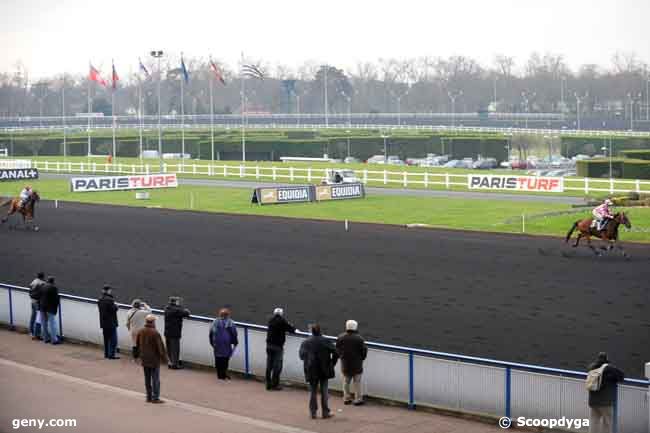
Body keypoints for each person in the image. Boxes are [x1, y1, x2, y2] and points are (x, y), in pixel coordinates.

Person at [299, 324, 339, 419]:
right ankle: (325, 412)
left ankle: (313, 413)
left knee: (313, 391)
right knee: (324, 391)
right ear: (320, 331)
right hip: (324, 369)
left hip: (311, 369)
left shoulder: (306, 342)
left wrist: (308, 361)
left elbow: (301, 356)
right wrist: (332, 363)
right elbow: (336, 353)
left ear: (311, 331)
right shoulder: (326, 341)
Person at [587, 352, 624, 433]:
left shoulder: (591, 367)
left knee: (594, 421)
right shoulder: (610, 369)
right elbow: (621, 376)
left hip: (593, 401)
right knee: (607, 423)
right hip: (606, 402)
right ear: (606, 359)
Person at [135, 314, 168, 403]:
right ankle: (155, 397)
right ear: (153, 322)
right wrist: (165, 359)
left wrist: (137, 356)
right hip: (154, 359)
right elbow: (160, 348)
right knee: (155, 379)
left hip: (144, 359)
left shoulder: (141, 331)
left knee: (147, 378)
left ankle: (148, 397)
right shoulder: (155, 333)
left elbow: (137, 345)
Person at [336, 320, 368, 406]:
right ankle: (358, 399)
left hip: (345, 363)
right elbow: (363, 352)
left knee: (346, 382)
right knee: (357, 382)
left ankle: (346, 398)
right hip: (357, 364)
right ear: (355, 327)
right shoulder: (359, 339)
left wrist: (342, 357)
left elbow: (337, 350)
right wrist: (361, 358)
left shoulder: (340, 337)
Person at [265, 307, 296, 390]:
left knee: (269, 365)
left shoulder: (270, 320)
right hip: (278, 347)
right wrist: (293, 327)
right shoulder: (282, 321)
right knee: (277, 366)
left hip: (269, 345)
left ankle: (268, 384)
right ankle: (275, 385)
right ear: (281, 314)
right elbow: (291, 329)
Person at [209, 308, 238, 380]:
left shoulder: (215, 322)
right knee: (225, 358)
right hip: (226, 343)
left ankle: (219, 375)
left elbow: (211, 332)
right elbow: (234, 333)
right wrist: (235, 342)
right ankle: (224, 374)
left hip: (217, 342)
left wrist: (212, 343)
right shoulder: (230, 322)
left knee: (218, 358)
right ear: (228, 315)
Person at [164, 296, 191, 369]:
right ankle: (175, 365)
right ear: (175, 302)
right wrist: (182, 307)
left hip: (167, 331)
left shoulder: (167, 308)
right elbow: (187, 313)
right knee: (175, 349)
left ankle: (170, 362)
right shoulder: (177, 310)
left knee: (169, 348)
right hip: (175, 333)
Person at [98, 285, 119, 359]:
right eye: (110, 290)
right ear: (108, 290)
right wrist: (116, 306)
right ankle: (111, 355)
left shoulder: (100, 299)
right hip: (111, 323)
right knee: (113, 340)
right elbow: (113, 309)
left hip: (104, 323)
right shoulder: (110, 300)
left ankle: (106, 354)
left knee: (106, 339)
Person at [39, 276, 60, 344]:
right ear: (53, 281)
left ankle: (45, 338)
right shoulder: (53, 288)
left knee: (44, 323)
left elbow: (39, 296)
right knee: (52, 324)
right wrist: (56, 308)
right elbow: (56, 299)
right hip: (50, 308)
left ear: (47, 281)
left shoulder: (42, 286)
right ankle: (54, 340)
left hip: (42, 307)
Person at [28, 272, 46, 340]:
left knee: (33, 316)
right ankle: (37, 334)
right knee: (39, 318)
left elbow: (29, 290)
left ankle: (31, 331)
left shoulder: (33, 281)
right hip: (38, 302)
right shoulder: (42, 283)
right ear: (42, 277)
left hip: (32, 301)